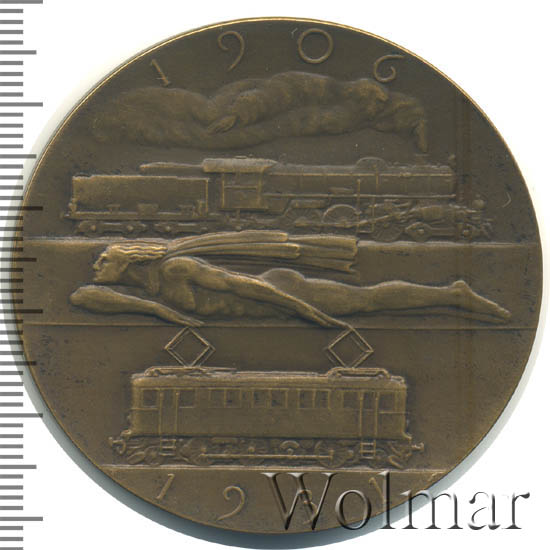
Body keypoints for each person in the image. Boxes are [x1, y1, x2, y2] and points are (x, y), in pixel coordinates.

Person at [69, 233, 511, 327]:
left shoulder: (175, 269)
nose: (96, 266)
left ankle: (451, 294)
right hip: (266, 302)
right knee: (367, 300)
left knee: (367, 300)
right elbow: (81, 297)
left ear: (128, 261)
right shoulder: (140, 288)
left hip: (283, 291)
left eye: (104, 259)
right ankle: (449, 293)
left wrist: (310, 313)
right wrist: (158, 310)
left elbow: (246, 287)